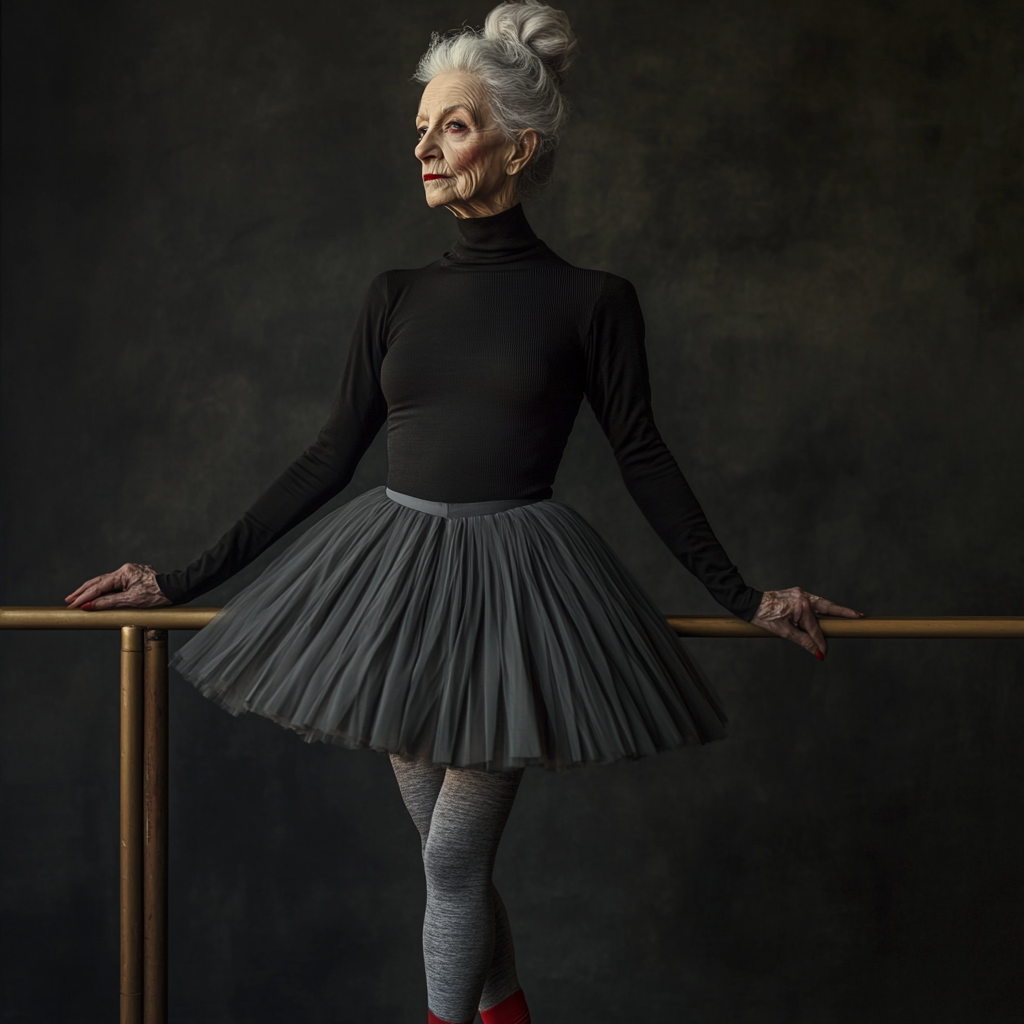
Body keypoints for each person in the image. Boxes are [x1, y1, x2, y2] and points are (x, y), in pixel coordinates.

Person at [66, 3, 862, 1021]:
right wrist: (177, 577)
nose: (424, 147)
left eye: (451, 125)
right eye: (421, 128)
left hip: (513, 593)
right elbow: (326, 457)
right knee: (457, 874)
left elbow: (645, 459)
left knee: (449, 858)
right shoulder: (393, 293)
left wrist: (744, 595)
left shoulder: (593, 301)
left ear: (519, 146)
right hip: (395, 587)